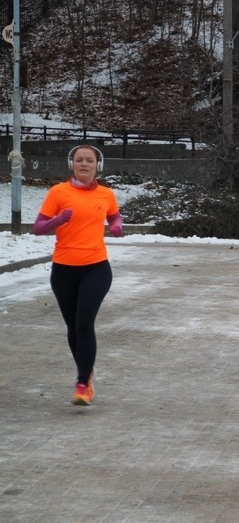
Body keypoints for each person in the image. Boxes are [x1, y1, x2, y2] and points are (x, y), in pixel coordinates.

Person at [32, 145, 123, 405]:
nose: (84, 164)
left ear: (98, 165)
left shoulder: (106, 194)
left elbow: (115, 216)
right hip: (63, 270)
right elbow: (38, 228)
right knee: (73, 327)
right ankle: (88, 370)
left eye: (89, 160)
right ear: (72, 164)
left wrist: (116, 226)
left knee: (84, 324)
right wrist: (59, 219)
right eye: (79, 160)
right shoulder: (58, 192)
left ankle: (83, 383)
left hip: (96, 267)